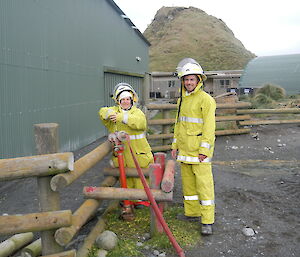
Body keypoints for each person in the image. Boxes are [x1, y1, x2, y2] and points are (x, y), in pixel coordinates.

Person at [171, 58, 216, 235]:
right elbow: (178, 124)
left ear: (198, 80)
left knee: (204, 187)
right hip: (184, 152)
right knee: (188, 186)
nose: (188, 82)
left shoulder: (206, 100)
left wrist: (204, 150)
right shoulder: (182, 100)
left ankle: (207, 221)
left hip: (199, 153)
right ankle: (191, 213)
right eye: (186, 79)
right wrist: (175, 145)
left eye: (192, 79)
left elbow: (209, 127)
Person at [99, 82, 154, 210]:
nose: (125, 102)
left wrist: (121, 117)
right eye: (122, 99)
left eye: (127, 99)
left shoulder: (137, 112)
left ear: (131, 100)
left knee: (141, 177)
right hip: (122, 154)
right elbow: (102, 112)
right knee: (127, 177)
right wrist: (107, 113)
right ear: (118, 101)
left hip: (138, 152)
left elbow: (140, 123)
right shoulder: (113, 112)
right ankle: (128, 199)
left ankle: (141, 200)